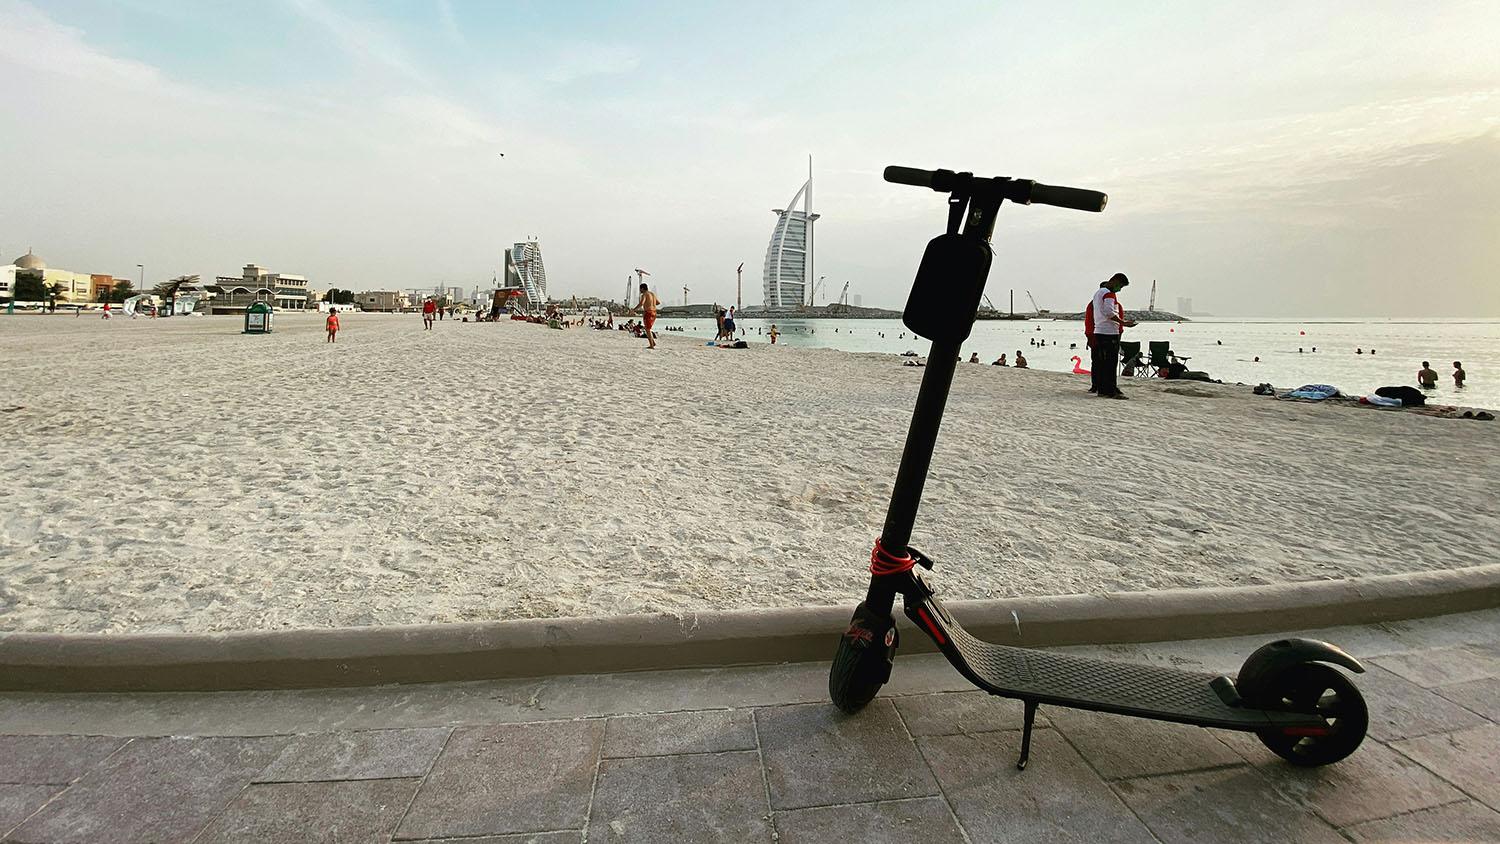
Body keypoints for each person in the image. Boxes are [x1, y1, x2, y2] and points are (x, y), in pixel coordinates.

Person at [1089, 273, 1136, 399]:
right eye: (1120, 286)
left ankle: (1103, 389)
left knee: (1103, 363)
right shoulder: (1109, 294)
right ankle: (1110, 390)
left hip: (1099, 330)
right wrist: (1123, 323)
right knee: (1110, 363)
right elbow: (1109, 312)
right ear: (1115, 282)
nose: (1119, 289)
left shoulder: (1098, 293)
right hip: (1108, 332)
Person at [625, 282, 659, 348]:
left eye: (640, 289)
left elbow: (641, 303)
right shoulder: (652, 294)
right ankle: (653, 343)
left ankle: (651, 345)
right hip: (654, 312)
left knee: (647, 329)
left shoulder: (644, 294)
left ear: (642, 289)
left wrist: (633, 310)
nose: (640, 291)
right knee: (648, 328)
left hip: (648, 312)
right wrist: (651, 303)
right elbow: (657, 303)